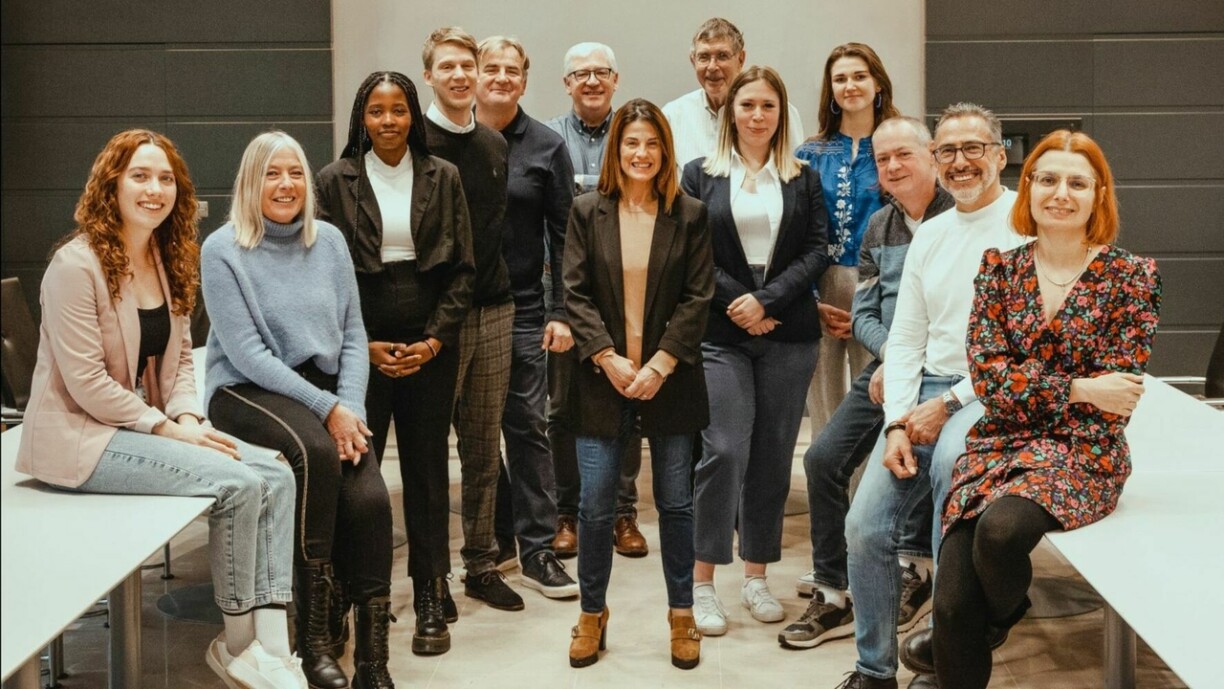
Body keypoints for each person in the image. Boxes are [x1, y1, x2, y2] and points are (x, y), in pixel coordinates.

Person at [14, 129, 306, 689]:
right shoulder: (75, 266)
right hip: (81, 439)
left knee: (274, 472)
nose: (155, 189)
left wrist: (190, 418)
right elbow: (86, 382)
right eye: (140, 176)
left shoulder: (168, 257)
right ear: (111, 185)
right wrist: (169, 428)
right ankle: (236, 645)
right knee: (238, 484)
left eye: (166, 178)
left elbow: (180, 366)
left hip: (139, 426)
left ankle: (271, 648)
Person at [930, 131, 1161, 688]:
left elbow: (1117, 402)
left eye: (1077, 182)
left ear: (1098, 194)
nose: (1061, 193)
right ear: (1027, 188)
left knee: (1002, 533)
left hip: (1083, 453)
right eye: (1047, 179)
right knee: (952, 605)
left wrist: (1034, 389)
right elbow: (989, 378)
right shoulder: (999, 271)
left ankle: (1002, 615)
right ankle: (990, 616)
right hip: (996, 445)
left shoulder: (1132, 278)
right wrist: (1081, 388)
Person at [837, 102, 1026, 689]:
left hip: (989, 395)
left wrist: (947, 405)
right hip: (921, 392)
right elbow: (907, 337)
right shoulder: (933, 234)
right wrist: (896, 422)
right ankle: (874, 670)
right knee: (865, 526)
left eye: (974, 148)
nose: (960, 162)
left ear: (1000, 154)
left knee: (950, 490)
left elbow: (1023, 347)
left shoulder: (1026, 223)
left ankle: (949, 662)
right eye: (948, 150)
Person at [203, 131, 395, 689]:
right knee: (314, 451)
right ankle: (312, 643)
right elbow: (249, 354)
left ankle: (375, 662)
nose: (285, 184)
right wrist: (327, 409)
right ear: (250, 182)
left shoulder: (329, 242)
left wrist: (350, 409)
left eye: (293, 173)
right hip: (245, 388)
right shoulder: (223, 249)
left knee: (371, 494)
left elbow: (354, 336)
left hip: (325, 394)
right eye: (270, 173)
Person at [316, 71, 475, 656]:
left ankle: (432, 590)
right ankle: (345, 596)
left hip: (430, 345)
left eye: (399, 110)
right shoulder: (334, 181)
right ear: (362, 117)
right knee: (356, 476)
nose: (389, 121)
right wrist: (365, 344)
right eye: (377, 111)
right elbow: (325, 276)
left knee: (430, 475)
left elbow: (463, 270)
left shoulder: (444, 176)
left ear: (414, 116)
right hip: (361, 345)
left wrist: (434, 342)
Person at [780, 117, 954, 650]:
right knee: (822, 460)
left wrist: (911, 365)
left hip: (943, 374)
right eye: (883, 160)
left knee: (920, 456)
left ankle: (916, 572)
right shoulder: (880, 225)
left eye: (904, 154)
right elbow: (864, 311)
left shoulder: (959, 220)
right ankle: (834, 591)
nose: (893, 167)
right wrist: (889, 357)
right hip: (891, 364)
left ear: (931, 155)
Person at [563, 98, 713, 670]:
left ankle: (681, 614)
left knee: (675, 504)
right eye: (631, 143)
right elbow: (573, 292)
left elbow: (699, 298)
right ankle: (591, 614)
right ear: (615, 149)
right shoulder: (586, 211)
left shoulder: (690, 214)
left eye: (652, 143)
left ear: (665, 151)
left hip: (669, 382)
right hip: (602, 381)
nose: (641, 153)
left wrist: (659, 365)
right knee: (596, 507)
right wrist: (606, 356)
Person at [681, 66, 830, 637]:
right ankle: (701, 584)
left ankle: (757, 576)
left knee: (772, 458)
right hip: (720, 334)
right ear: (731, 112)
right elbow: (690, 252)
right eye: (748, 105)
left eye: (768, 105)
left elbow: (817, 250)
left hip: (789, 333)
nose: (757, 115)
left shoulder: (802, 177)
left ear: (780, 113)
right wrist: (741, 301)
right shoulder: (700, 176)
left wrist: (767, 300)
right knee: (722, 451)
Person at [419, 26, 523, 613]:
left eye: (468, 66)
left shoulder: (493, 144)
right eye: (448, 67)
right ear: (430, 75)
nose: (460, 76)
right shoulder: (412, 142)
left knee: (484, 450)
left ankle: (480, 563)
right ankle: (431, 576)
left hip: (495, 311)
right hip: (435, 323)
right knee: (432, 452)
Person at [474, 35, 580, 599]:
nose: (501, 78)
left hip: (521, 310)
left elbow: (564, 237)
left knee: (528, 429)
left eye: (512, 70)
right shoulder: (446, 139)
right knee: (472, 435)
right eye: (491, 68)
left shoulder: (545, 145)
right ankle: (486, 544)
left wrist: (562, 312)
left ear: (525, 78)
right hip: (456, 312)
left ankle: (538, 551)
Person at [544, 41, 648, 560]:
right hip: (569, 294)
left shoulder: (634, 139)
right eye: (579, 73)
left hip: (626, 295)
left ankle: (622, 512)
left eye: (600, 73)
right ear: (566, 84)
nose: (590, 82)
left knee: (625, 400)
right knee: (563, 409)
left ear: (615, 79)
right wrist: (557, 305)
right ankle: (567, 513)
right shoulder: (548, 140)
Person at [797, 42, 900, 444]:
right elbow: (794, 231)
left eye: (859, 76)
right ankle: (829, 501)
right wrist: (808, 298)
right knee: (822, 398)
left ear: (878, 84)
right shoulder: (809, 152)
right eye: (840, 78)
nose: (850, 85)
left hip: (881, 283)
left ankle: (866, 502)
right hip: (820, 284)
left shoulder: (896, 147)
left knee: (875, 394)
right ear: (831, 89)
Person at [663, 17, 805, 169]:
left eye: (722, 56)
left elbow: (796, 176)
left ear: (741, 59)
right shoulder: (672, 116)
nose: (712, 67)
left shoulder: (778, 113)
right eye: (703, 57)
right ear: (693, 61)